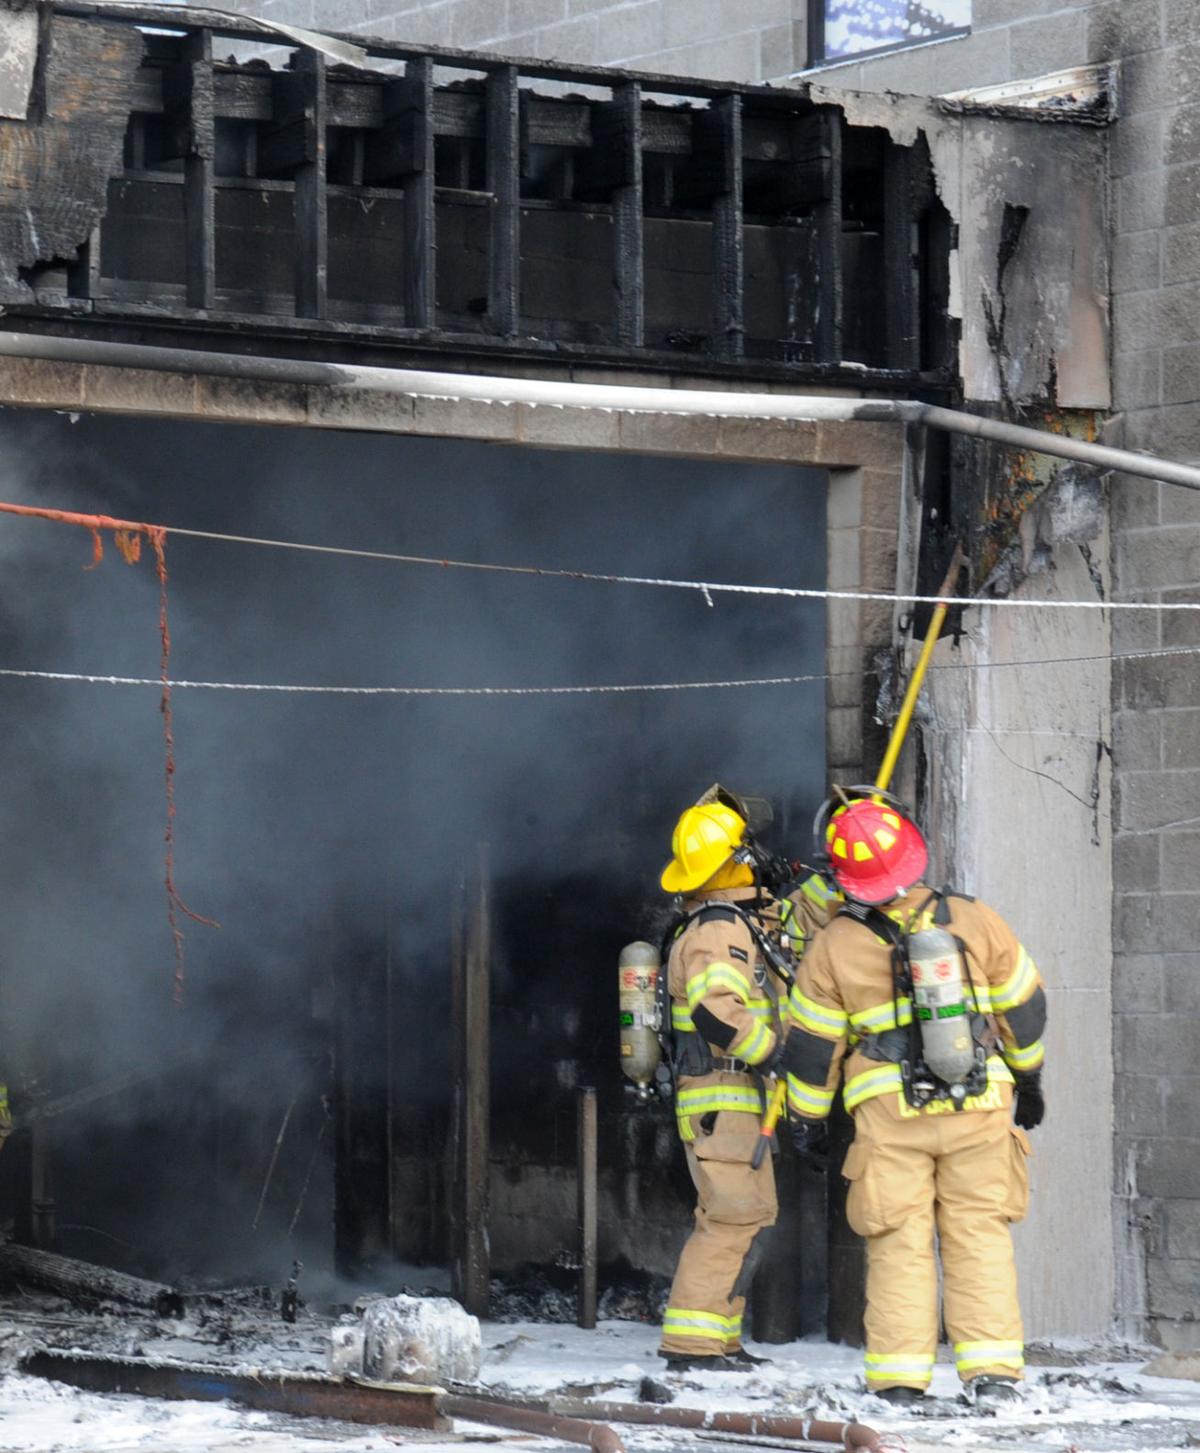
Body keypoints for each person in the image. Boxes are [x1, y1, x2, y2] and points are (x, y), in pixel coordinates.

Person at [782, 789, 1046, 1408]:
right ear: (911, 851)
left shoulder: (832, 946)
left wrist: (808, 1122)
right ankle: (994, 1376)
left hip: (890, 1115)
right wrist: (1029, 1078)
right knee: (978, 1234)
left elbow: (812, 1050)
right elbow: (1025, 1007)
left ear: (843, 874)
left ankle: (900, 1379)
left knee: (898, 1239)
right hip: (979, 1104)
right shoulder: (974, 917)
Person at [656, 787, 796, 1372]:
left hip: (736, 1102)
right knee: (729, 1219)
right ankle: (690, 1345)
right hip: (726, 1099)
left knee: (751, 1217)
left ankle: (720, 1338)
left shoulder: (734, 922)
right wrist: (774, 1055)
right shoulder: (718, 930)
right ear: (732, 860)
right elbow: (716, 1011)